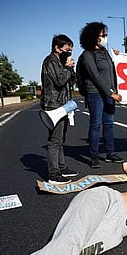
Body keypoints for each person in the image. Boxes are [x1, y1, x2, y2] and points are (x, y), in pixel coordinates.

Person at [77, 22, 123, 169]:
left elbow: (112, 72)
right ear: (93, 37)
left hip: (109, 94)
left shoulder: (105, 52)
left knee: (109, 124)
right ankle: (94, 156)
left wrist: (118, 57)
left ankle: (111, 153)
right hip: (95, 94)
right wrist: (111, 93)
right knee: (96, 124)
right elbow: (95, 77)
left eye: (105, 35)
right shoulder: (87, 55)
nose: (105, 37)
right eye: (103, 35)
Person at [40, 34, 78, 185]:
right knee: (55, 141)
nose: (69, 53)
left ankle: (61, 167)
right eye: (66, 50)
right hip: (54, 105)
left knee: (61, 139)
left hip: (63, 104)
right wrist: (68, 68)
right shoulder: (50, 61)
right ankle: (53, 174)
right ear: (57, 47)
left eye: (71, 51)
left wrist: (71, 69)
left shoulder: (60, 62)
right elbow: (60, 81)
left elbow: (71, 82)